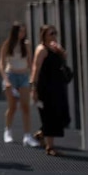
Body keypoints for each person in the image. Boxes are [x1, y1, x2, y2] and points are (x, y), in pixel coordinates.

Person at [30, 25, 71, 156]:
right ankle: (50, 147)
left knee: (63, 117)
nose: (54, 36)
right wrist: (33, 88)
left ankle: (42, 134)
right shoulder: (41, 50)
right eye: (51, 33)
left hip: (57, 87)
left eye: (55, 33)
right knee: (49, 116)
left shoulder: (54, 48)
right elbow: (35, 69)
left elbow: (63, 62)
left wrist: (61, 52)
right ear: (44, 35)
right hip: (46, 88)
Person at [0, 22, 40, 147]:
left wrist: (32, 78)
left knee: (25, 106)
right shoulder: (7, 45)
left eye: (23, 31)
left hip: (23, 76)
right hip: (11, 75)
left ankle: (27, 135)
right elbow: (1, 63)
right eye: (20, 31)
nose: (22, 34)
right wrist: (6, 80)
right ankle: (8, 131)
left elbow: (30, 62)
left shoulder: (26, 45)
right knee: (12, 107)